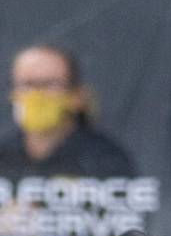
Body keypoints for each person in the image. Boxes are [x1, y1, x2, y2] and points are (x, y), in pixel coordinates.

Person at [0, 44, 134, 179]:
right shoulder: (4, 154)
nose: (37, 94)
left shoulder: (105, 160)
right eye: (27, 84)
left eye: (50, 84)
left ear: (77, 96)